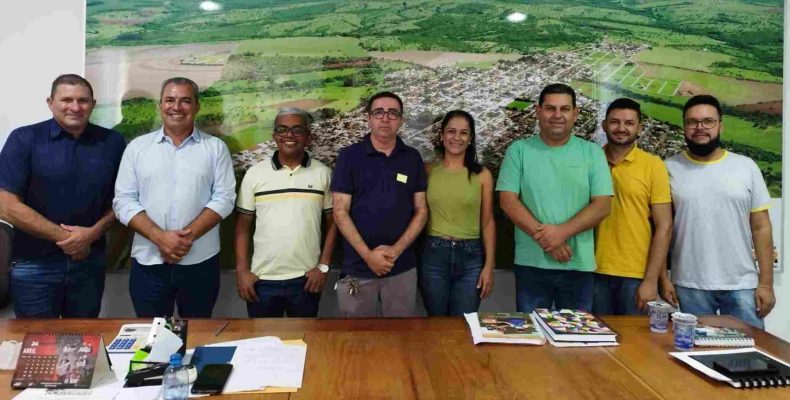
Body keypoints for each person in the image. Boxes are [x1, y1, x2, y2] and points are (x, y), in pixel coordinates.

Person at [0, 74, 125, 318]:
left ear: (93, 104)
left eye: (83, 100)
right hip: (34, 265)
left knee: (84, 343)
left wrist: (91, 235)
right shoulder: (24, 139)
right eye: (67, 100)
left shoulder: (112, 142)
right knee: (37, 345)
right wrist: (70, 240)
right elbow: (6, 206)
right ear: (50, 103)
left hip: (89, 264)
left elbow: (123, 200)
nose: (75, 107)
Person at [113, 77, 236, 318]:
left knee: (198, 334)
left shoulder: (215, 148)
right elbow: (123, 201)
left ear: (197, 107)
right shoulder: (137, 148)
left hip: (200, 261)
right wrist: (160, 238)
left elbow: (224, 199)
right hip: (148, 262)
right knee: (152, 339)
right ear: (161, 105)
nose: (176, 107)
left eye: (185, 101)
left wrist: (182, 240)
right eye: (170, 100)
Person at [497, 83, 612, 312]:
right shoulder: (518, 150)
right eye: (550, 108)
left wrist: (561, 233)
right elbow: (508, 201)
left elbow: (602, 205)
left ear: (575, 113)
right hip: (531, 266)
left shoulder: (592, 153)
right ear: (538, 111)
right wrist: (549, 241)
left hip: (577, 265)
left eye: (564, 109)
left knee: (575, 342)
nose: (557, 115)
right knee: (533, 337)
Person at [665, 95, 775, 328]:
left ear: (720, 125)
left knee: (749, 358)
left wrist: (766, 284)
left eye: (707, 121)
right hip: (689, 284)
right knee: (698, 358)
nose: (700, 128)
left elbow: (761, 227)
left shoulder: (745, 167)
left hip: (742, 285)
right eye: (692, 122)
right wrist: (663, 278)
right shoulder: (668, 168)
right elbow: (660, 229)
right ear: (684, 126)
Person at [331, 91, 428, 317]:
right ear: (369, 118)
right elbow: (340, 211)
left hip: (401, 267)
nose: (385, 118)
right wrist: (368, 256)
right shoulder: (349, 156)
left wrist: (395, 251)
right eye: (379, 112)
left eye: (392, 113)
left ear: (401, 120)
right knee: (356, 343)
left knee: (400, 340)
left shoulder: (412, 158)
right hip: (357, 268)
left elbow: (421, 210)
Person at [234, 108, 337, 317]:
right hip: (262, 281)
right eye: (282, 129)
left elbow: (334, 222)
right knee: (262, 346)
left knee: (303, 342)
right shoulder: (255, 174)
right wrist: (242, 272)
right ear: (274, 136)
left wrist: (323, 267)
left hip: (307, 281)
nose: (289, 135)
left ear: (308, 137)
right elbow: (243, 226)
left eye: (297, 130)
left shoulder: (323, 174)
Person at [592, 98, 673, 315]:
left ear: (640, 127)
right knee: (596, 344)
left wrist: (651, 280)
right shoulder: (591, 160)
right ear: (604, 125)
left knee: (633, 345)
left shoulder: (653, 165)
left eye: (629, 123)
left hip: (635, 274)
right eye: (615, 122)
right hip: (591, 271)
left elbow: (664, 226)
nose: (621, 128)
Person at [421, 110, 495, 316]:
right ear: (442, 135)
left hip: (471, 258)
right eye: (451, 131)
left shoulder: (482, 176)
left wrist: (489, 265)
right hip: (434, 254)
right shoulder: (428, 171)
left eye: (463, 133)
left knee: (464, 326)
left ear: (470, 139)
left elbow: (488, 222)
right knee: (436, 324)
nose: (456, 137)